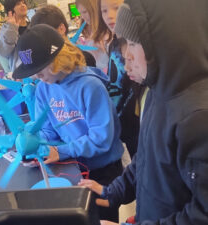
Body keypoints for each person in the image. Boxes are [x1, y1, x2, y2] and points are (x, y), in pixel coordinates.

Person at [80, 1, 208, 224]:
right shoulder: (158, 93)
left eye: (132, 43)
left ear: (167, 43)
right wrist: (115, 191)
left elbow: (202, 214)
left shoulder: (198, 118)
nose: (126, 55)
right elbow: (147, 157)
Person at [12, 24, 124, 222]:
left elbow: (102, 140)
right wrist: (37, 145)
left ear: (58, 58)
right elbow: (47, 131)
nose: (36, 76)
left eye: (39, 69)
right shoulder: (43, 89)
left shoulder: (90, 87)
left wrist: (60, 151)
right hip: (71, 169)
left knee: (101, 220)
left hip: (102, 172)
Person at [93, 0, 140, 157]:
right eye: (104, 11)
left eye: (116, 8)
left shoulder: (140, 46)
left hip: (138, 124)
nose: (110, 16)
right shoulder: (114, 43)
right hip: (119, 120)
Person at [30, 4, 96, 67]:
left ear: (61, 28)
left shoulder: (84, 60)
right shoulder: (48, 66)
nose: (44, 43)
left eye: (46, 35)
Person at [0, 0, 29, 72]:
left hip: (38, 67)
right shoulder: (7, 29)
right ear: (10, 11)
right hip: (22, 72)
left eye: (23, 3)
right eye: (18, 4)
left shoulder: (33, 25)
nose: (23, 5)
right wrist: (12, 27)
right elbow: (2, 52)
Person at [75, 0, 109, 72]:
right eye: (80, 13)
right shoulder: (87, 28)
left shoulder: (108, 31)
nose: (82, 17)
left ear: (95, 9)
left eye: (84, 12)